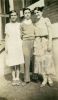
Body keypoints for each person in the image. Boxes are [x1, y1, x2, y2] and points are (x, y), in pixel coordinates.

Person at [33, 7, 55, 87]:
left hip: (45, 41)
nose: (36, 14)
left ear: (41, 12)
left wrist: (50, 43)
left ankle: (49, 78)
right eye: (35, 13)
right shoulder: (35, 23)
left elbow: (50, 32)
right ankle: (44, 78)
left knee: (47, 60)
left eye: (38, 12)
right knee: (40, 61)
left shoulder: (46, 20)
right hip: (38, 43)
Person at [5, 10, 24, 86]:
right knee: (12, 62)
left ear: (17, 16)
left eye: (14, 15)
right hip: (11, 45)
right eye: (12, 15)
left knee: (18, 62)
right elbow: (6, 36)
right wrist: (6, 46)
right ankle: (13, 78)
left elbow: (22, 35)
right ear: (10, 16)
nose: (13, 16)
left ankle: (17, 77)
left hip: (18, 45)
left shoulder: (19, 24)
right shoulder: (7, 25)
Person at [20, 8, 35, 85]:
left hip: (34, 41)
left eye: (28, 12)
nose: (27, 14)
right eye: (25, 13)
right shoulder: (21, 24)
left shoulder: (34, 22)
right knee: (27, 60)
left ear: (30, 13)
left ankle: (34, 76)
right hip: (25, 42)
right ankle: (26, 79)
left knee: (34, 59)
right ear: (24, 14)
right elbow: (20, 35)